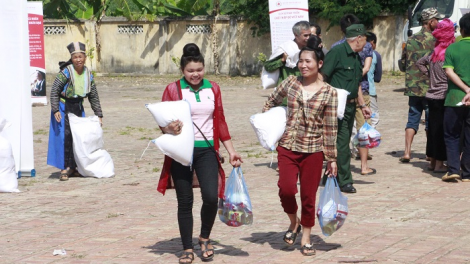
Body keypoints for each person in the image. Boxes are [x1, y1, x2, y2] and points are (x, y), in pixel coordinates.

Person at [156, 43, 243, 263]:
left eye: (199, 70)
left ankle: (204, 237)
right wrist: (167, 129)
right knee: (185, 200)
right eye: (190, 71)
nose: (195, 74)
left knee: (212, 197)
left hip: (207, 151)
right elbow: (162, 121)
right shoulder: (173, 89)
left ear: (204, 68)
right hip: (181, 151)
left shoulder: (213, 88)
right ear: (183, 71)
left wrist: (231, 151)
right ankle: (187, 247)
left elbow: (220, 120)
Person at [262, 35, 338, 256]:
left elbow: (330, 127)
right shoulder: (290, 83)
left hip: (313, 150)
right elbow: (271, 101)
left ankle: (305, 236)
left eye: (308, 62)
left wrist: (331, 158)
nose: (303, 65)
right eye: (301, 61)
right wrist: (268, 123)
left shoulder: (329, 92)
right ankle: (293, 221)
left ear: (319, 64)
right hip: (287, 146)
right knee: (286, 189)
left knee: (308, 196)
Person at [322, 24, 371, 193]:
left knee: (340, 142)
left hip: (350, 106)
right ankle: (345, 180)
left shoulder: (356, 57)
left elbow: (355, 83)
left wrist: (362, 105)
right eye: (365, 39)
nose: (366, 43)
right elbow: (322, 77)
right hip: (335, 106)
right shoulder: (337, 52)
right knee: (342, 143)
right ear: (358, 38)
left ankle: (329, 174)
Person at [47, 42, 103, 181]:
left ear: (85, 58)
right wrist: (55, 109)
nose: (78, 59)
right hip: (63, 107)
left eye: (80, 57)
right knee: (64, 137)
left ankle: (74, 167)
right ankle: (64, 168)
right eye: (75, 57)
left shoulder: (88, 75)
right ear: (71, 58)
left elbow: (93, 95)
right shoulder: (66, 72)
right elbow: (54, 91)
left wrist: (98, 114)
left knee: (78, 138)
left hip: (77, 106)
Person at [399, 7, 443, 163]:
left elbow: (402, 64)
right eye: (436, 20)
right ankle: (430, 153)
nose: (438, 23)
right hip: (432, 88)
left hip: (413, 87)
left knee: (412, 119)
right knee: (431, 121)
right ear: (430, 22)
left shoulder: (410, 40)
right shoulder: (436, 41)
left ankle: (406, 152)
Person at [416, 18, 455, 174]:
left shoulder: (434, 53)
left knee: (432, 130)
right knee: (441, 131)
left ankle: (432, 161)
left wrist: (429, 74)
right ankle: (439, 164)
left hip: (431, 95)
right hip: (444, 96)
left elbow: (419, 62)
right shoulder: (449, 53)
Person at [444, 13, 470, 182]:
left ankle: (453, 169)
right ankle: (467, 173)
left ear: (461, 30)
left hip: (455, 98)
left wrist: (466, 89)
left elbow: (449, 71)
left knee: (451, 134)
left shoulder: (452, 48)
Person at [264, 21, 311, 91]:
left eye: (310, 35)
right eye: (305, 35)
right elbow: (268, 66)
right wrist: (282, 60)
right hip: (288, 91)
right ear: (296, 35)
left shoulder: (311, 48)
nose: (308, 38)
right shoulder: (286, 48)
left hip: (306, 89)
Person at [366, 32, 383, 128]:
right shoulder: (375, 55)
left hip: (356, 91)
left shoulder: (355, 52)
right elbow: (378, 78)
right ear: (372, 43)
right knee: (373, 118)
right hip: (370, 91)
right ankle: (370, 140)